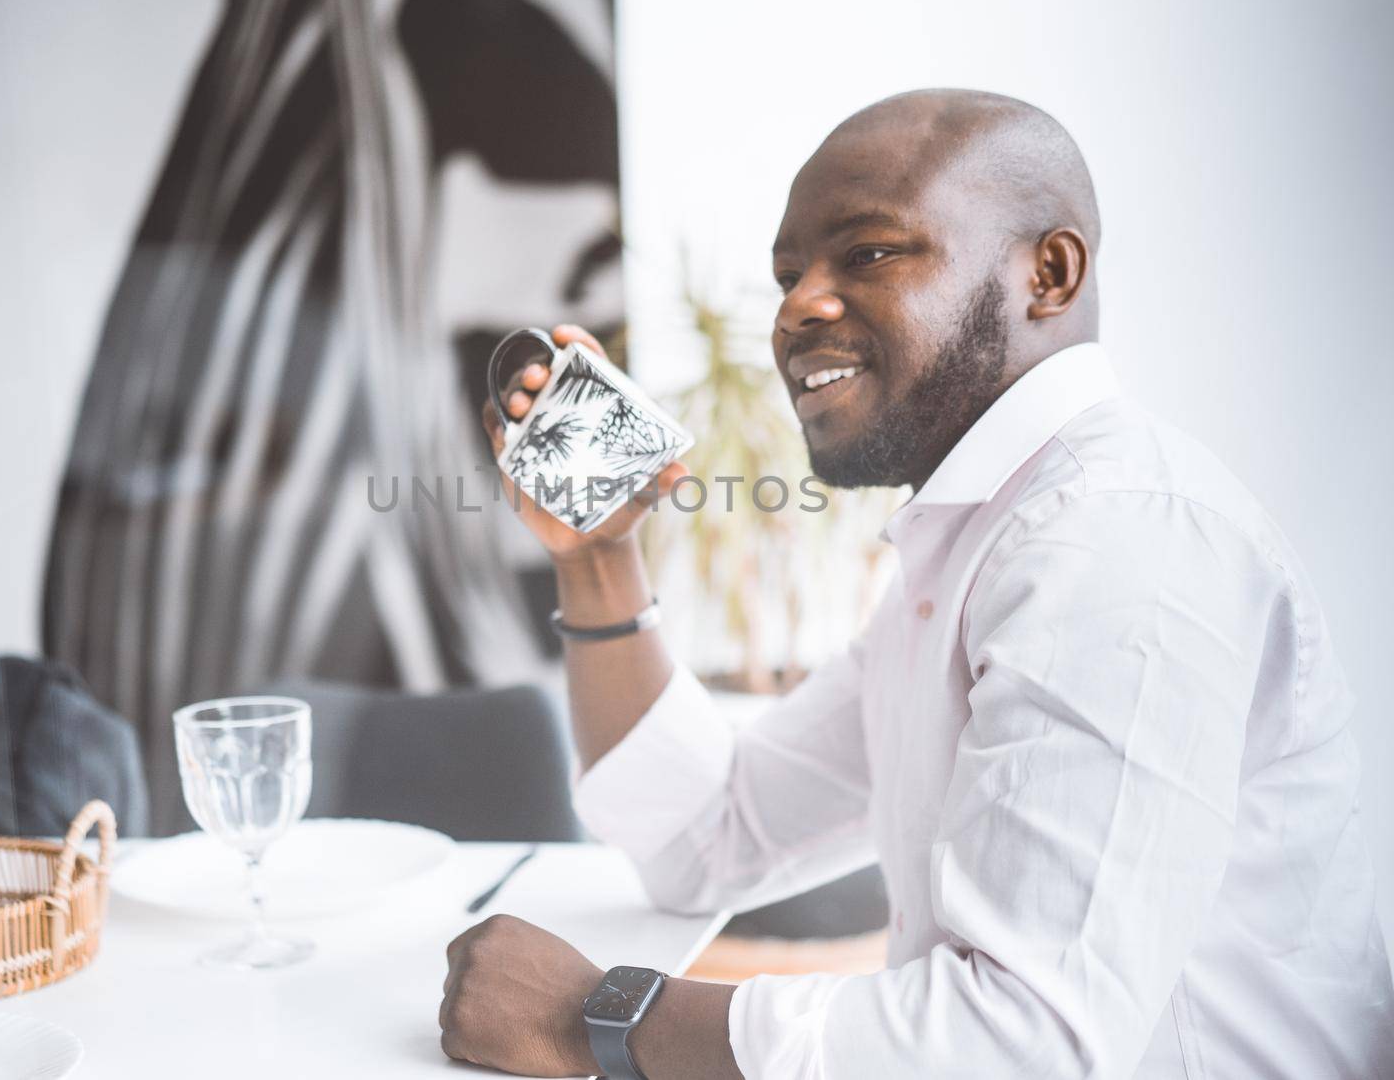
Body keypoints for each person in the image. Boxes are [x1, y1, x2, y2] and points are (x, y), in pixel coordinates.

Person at [437, 90, 1394, 1078]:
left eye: (870, 252)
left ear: (1048, 273)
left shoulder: (1111, 542)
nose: (797, 303)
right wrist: (598, 556)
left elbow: (1019, 1043)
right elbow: (705, 840)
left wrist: (598, 1017)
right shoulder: (976, 547)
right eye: (786, 271)